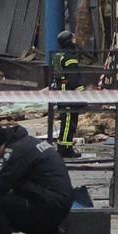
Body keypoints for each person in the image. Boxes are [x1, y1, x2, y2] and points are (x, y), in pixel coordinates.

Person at [48, 30, 86, 159]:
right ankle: (64, 149)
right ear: (68, 41)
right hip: (69, 94)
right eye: (73, 38)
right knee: (69, 121)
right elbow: (73, 76)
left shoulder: (58, 55)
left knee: (66, 120)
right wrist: (80, 91)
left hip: (61, 91)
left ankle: (65, 146)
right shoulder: (69, 57)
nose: (75, 39)